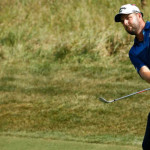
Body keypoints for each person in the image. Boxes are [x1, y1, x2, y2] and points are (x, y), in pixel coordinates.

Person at [114, 4, 150, 150]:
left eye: (128, 18)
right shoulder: (134, 52)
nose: (126, 23)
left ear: (139, 16)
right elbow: (146, 74)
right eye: (123, 21)